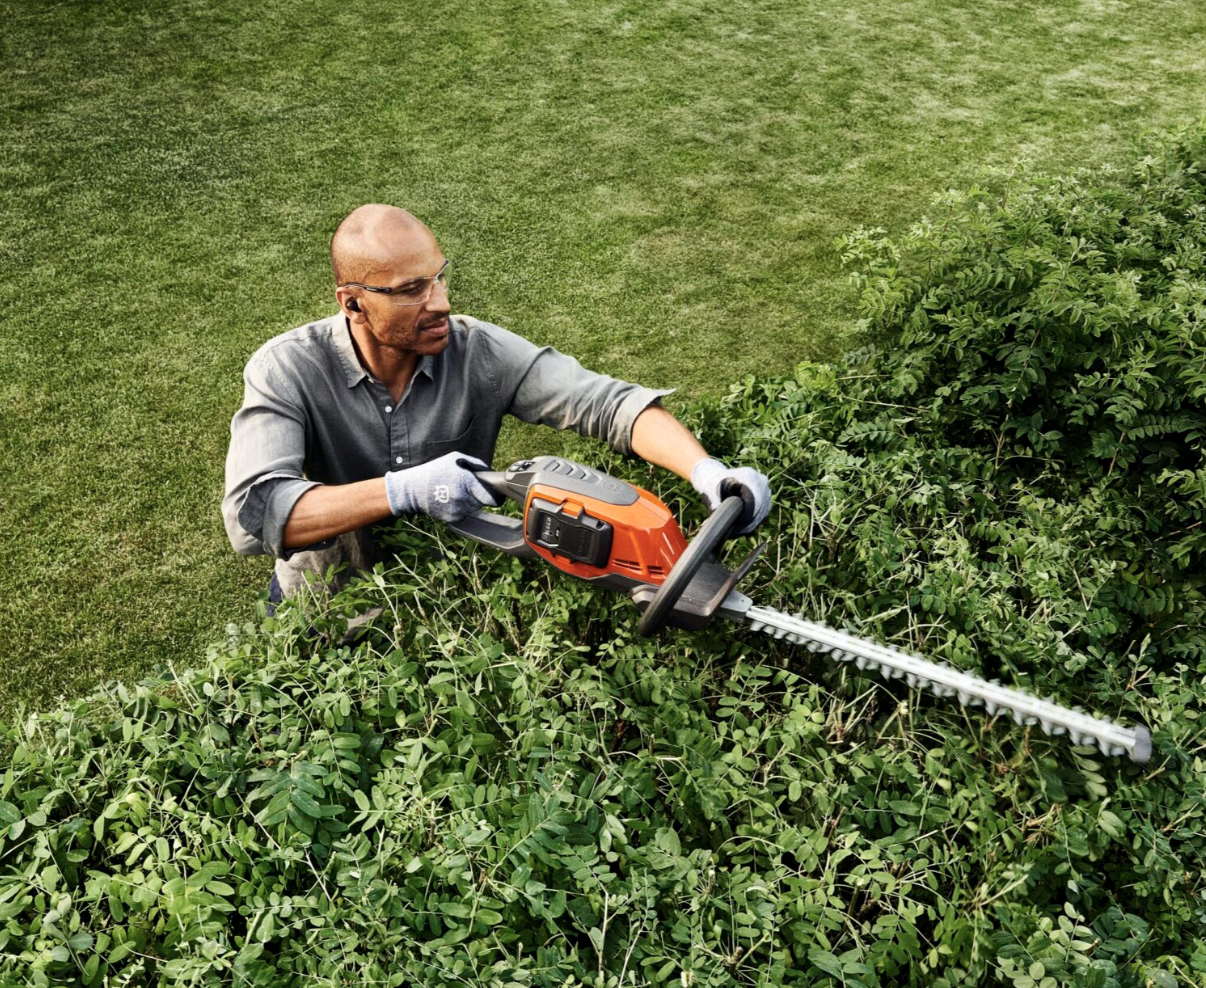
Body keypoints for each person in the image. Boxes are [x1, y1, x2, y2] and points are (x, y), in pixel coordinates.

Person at [222, 204, 772, 618]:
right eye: (412, 289)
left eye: (439, 276)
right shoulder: (286, 369)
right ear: (353, 303)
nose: (440, 301)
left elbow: (606, 403)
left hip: (445, 606)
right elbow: (253, 515)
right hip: (323, 611)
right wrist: (404, 490)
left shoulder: (476, 350)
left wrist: (707, 471)